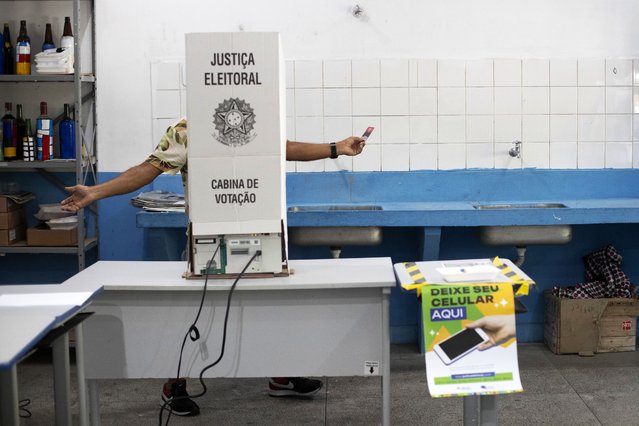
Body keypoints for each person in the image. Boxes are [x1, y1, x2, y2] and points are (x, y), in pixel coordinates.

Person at [61, 118, 366, 417]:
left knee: (271, 307)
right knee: (192, 314)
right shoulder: (186, 130)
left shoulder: (255, 120)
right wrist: (95, 192)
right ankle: (174, 385)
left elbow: (285, 148)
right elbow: (147, 170)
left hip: (258, 235)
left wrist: (336, 148)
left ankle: (282, 375)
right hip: (205, 241)